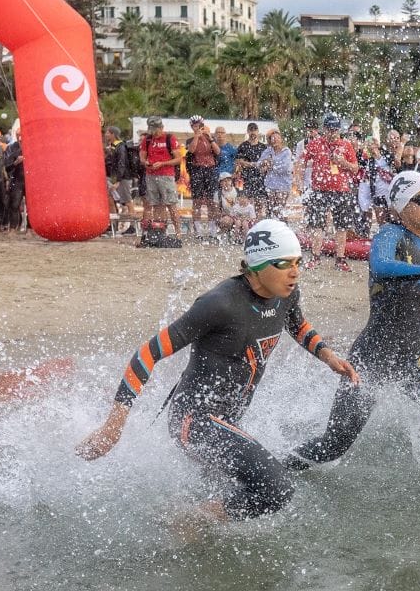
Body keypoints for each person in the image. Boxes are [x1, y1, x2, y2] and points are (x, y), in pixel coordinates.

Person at [75, 220, 358, 526]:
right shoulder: (220, 304)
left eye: (297, 262)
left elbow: (297, 323)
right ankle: (190, 519)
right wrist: (113, 427)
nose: (295, 272)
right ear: (257, 265)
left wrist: (327, 355)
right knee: (277, 488)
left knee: (243, 487)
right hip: (193, 420)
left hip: (227, 422)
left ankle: (181, 519)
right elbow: (148, 353)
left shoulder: (286, 293)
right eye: (283, 263)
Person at [286, 171, 420, 466]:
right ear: (402, 206)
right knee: (335, 443)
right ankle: (279, 467)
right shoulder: (390, 234)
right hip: (373, 359)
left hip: (412, 359)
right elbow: (380, 265)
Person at [303, 115, 359, 271]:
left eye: (335, 129)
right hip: (319, 189)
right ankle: (315, 257)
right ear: (324, 129)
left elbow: (355, 168)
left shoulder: (346, 145)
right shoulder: (315, 144)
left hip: (341, 190)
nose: (332, 133)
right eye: (329, 129)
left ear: (339, 130)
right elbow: (302, 161)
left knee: (342, 226)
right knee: (317, 225)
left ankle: (340, 259)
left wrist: (343, 162)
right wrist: (300, 182)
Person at [139, 117, 181, 236]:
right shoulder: (147, 140)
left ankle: (178, 232)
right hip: (151, 176)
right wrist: (145, 162)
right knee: (156, 205)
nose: (154, 133)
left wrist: (163, 163)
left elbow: (178, 159)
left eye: (156, 130)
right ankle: (160, 231)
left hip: (166, 176)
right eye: (151, 130)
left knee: (171, 204)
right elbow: (142, 156)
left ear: (161, 128)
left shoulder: (170, 138)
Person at [185, 116, 222, 237]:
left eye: (200, 125)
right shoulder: (190, 140)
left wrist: (210, 137)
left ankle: (212, 230)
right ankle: (198, 231)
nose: (198, 128)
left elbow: (218, 152)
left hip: (210, 170)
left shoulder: (210, 138)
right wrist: (197, 135)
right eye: (195, 126)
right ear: (192, 127)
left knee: (211, 201)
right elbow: (191, 151)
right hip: (197, 170)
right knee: (197, 201)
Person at [233, 122, 268, 218]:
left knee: (260, 203)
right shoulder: (243, 146)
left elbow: (267, 161)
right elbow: (238, 161)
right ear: (248, 131)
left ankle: (259, 223)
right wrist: (251, 164)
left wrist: (263, 167)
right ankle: (249, 224)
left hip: (260, 178)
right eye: (251, 130)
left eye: (255, 130)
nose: (253, 132)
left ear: (258, 131)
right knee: (247, 204)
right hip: (247, 178)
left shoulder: (263, 147)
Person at [258, 129, 294, 219]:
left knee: (279, 209)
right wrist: (264, 163)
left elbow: (285, 168)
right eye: (272, 138)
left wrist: (270, 164)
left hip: (283, 185)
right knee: (270, 209)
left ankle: (283, 228)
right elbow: (258, 164)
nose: (275, 140)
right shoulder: (268, 151)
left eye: (277, 138)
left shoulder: (286, 151)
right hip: (270, 184)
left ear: (281, 139)